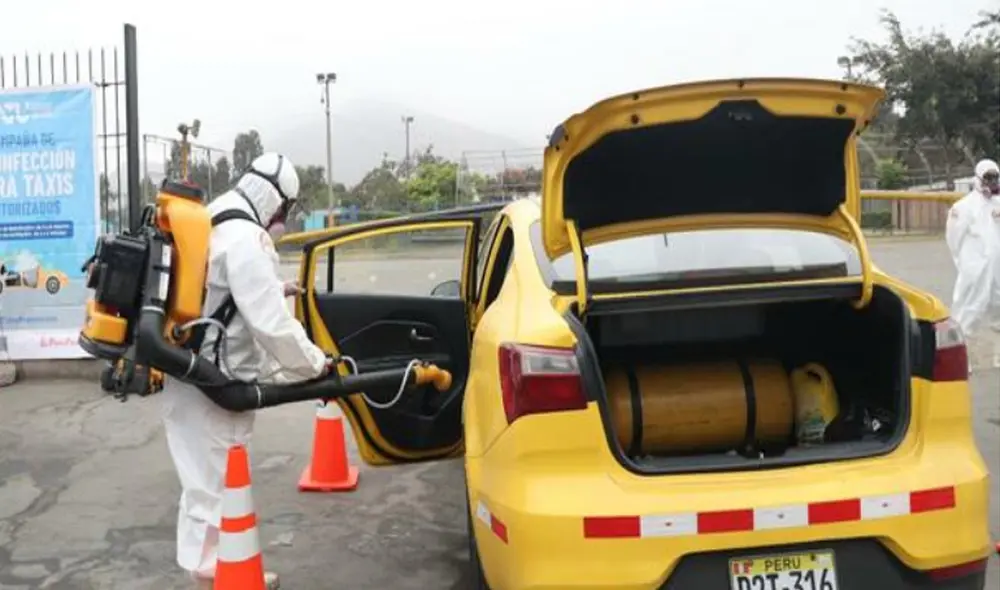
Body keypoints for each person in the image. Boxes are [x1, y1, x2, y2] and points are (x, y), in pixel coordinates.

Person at [160, 152, 331, 589]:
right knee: (221, 480)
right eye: (284, 211)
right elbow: (270, 324)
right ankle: (228, 573)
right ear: (274, 200)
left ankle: (206, 566)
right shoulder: (249, 239)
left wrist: (276, 287)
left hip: (187, 372)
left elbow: (221, 288)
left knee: (200, 480)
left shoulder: (216, 215)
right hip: (218, 381)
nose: (282, 220)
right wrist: (315, 364)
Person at [945, 158, 1000, 370]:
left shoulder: (997, 204)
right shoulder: (964, 207)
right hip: (975, 270)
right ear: (977, 178)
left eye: (995, 177)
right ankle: (960, 361)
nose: (992, 182)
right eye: (988, 177)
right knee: (967, 312)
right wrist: (966, 264)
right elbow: (954, 238)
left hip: (997, 269)